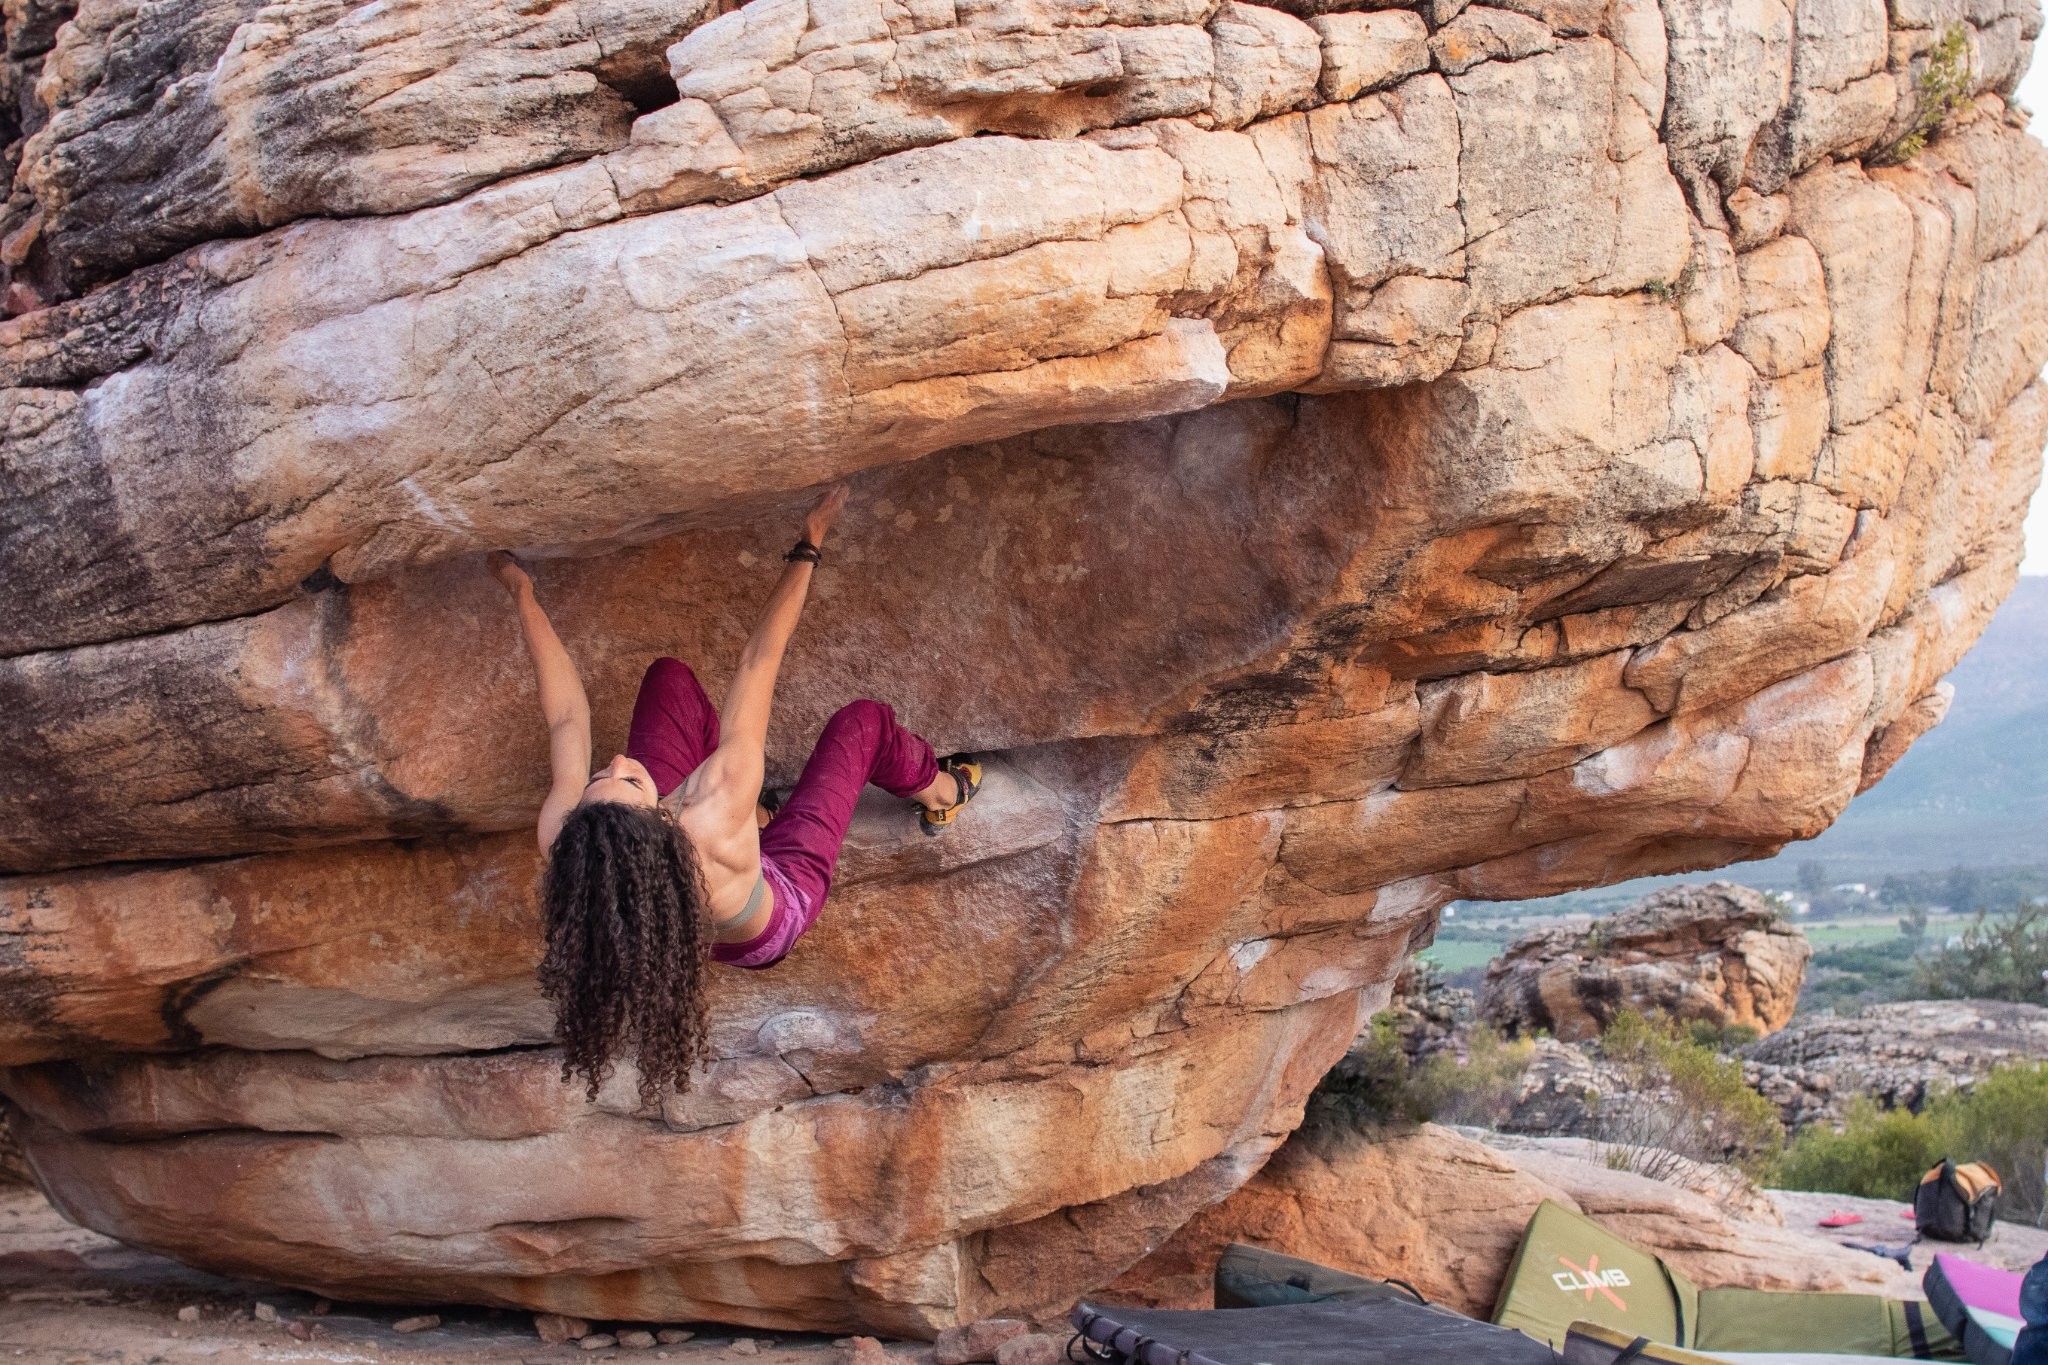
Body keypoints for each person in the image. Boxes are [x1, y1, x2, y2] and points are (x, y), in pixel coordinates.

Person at [489, 484, 979, 1103]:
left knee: (667, 680)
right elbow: (757, 660)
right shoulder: (716, 806)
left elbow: (565, 718)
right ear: (662, 821)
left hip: (690, 904)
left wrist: (521, 593)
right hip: (774, 908)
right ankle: (942, 790)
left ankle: (766, 814)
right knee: (862, 724)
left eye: (600, 776)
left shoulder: (576, 841)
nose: (618, 759)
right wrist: (811, 542)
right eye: (632, 778)